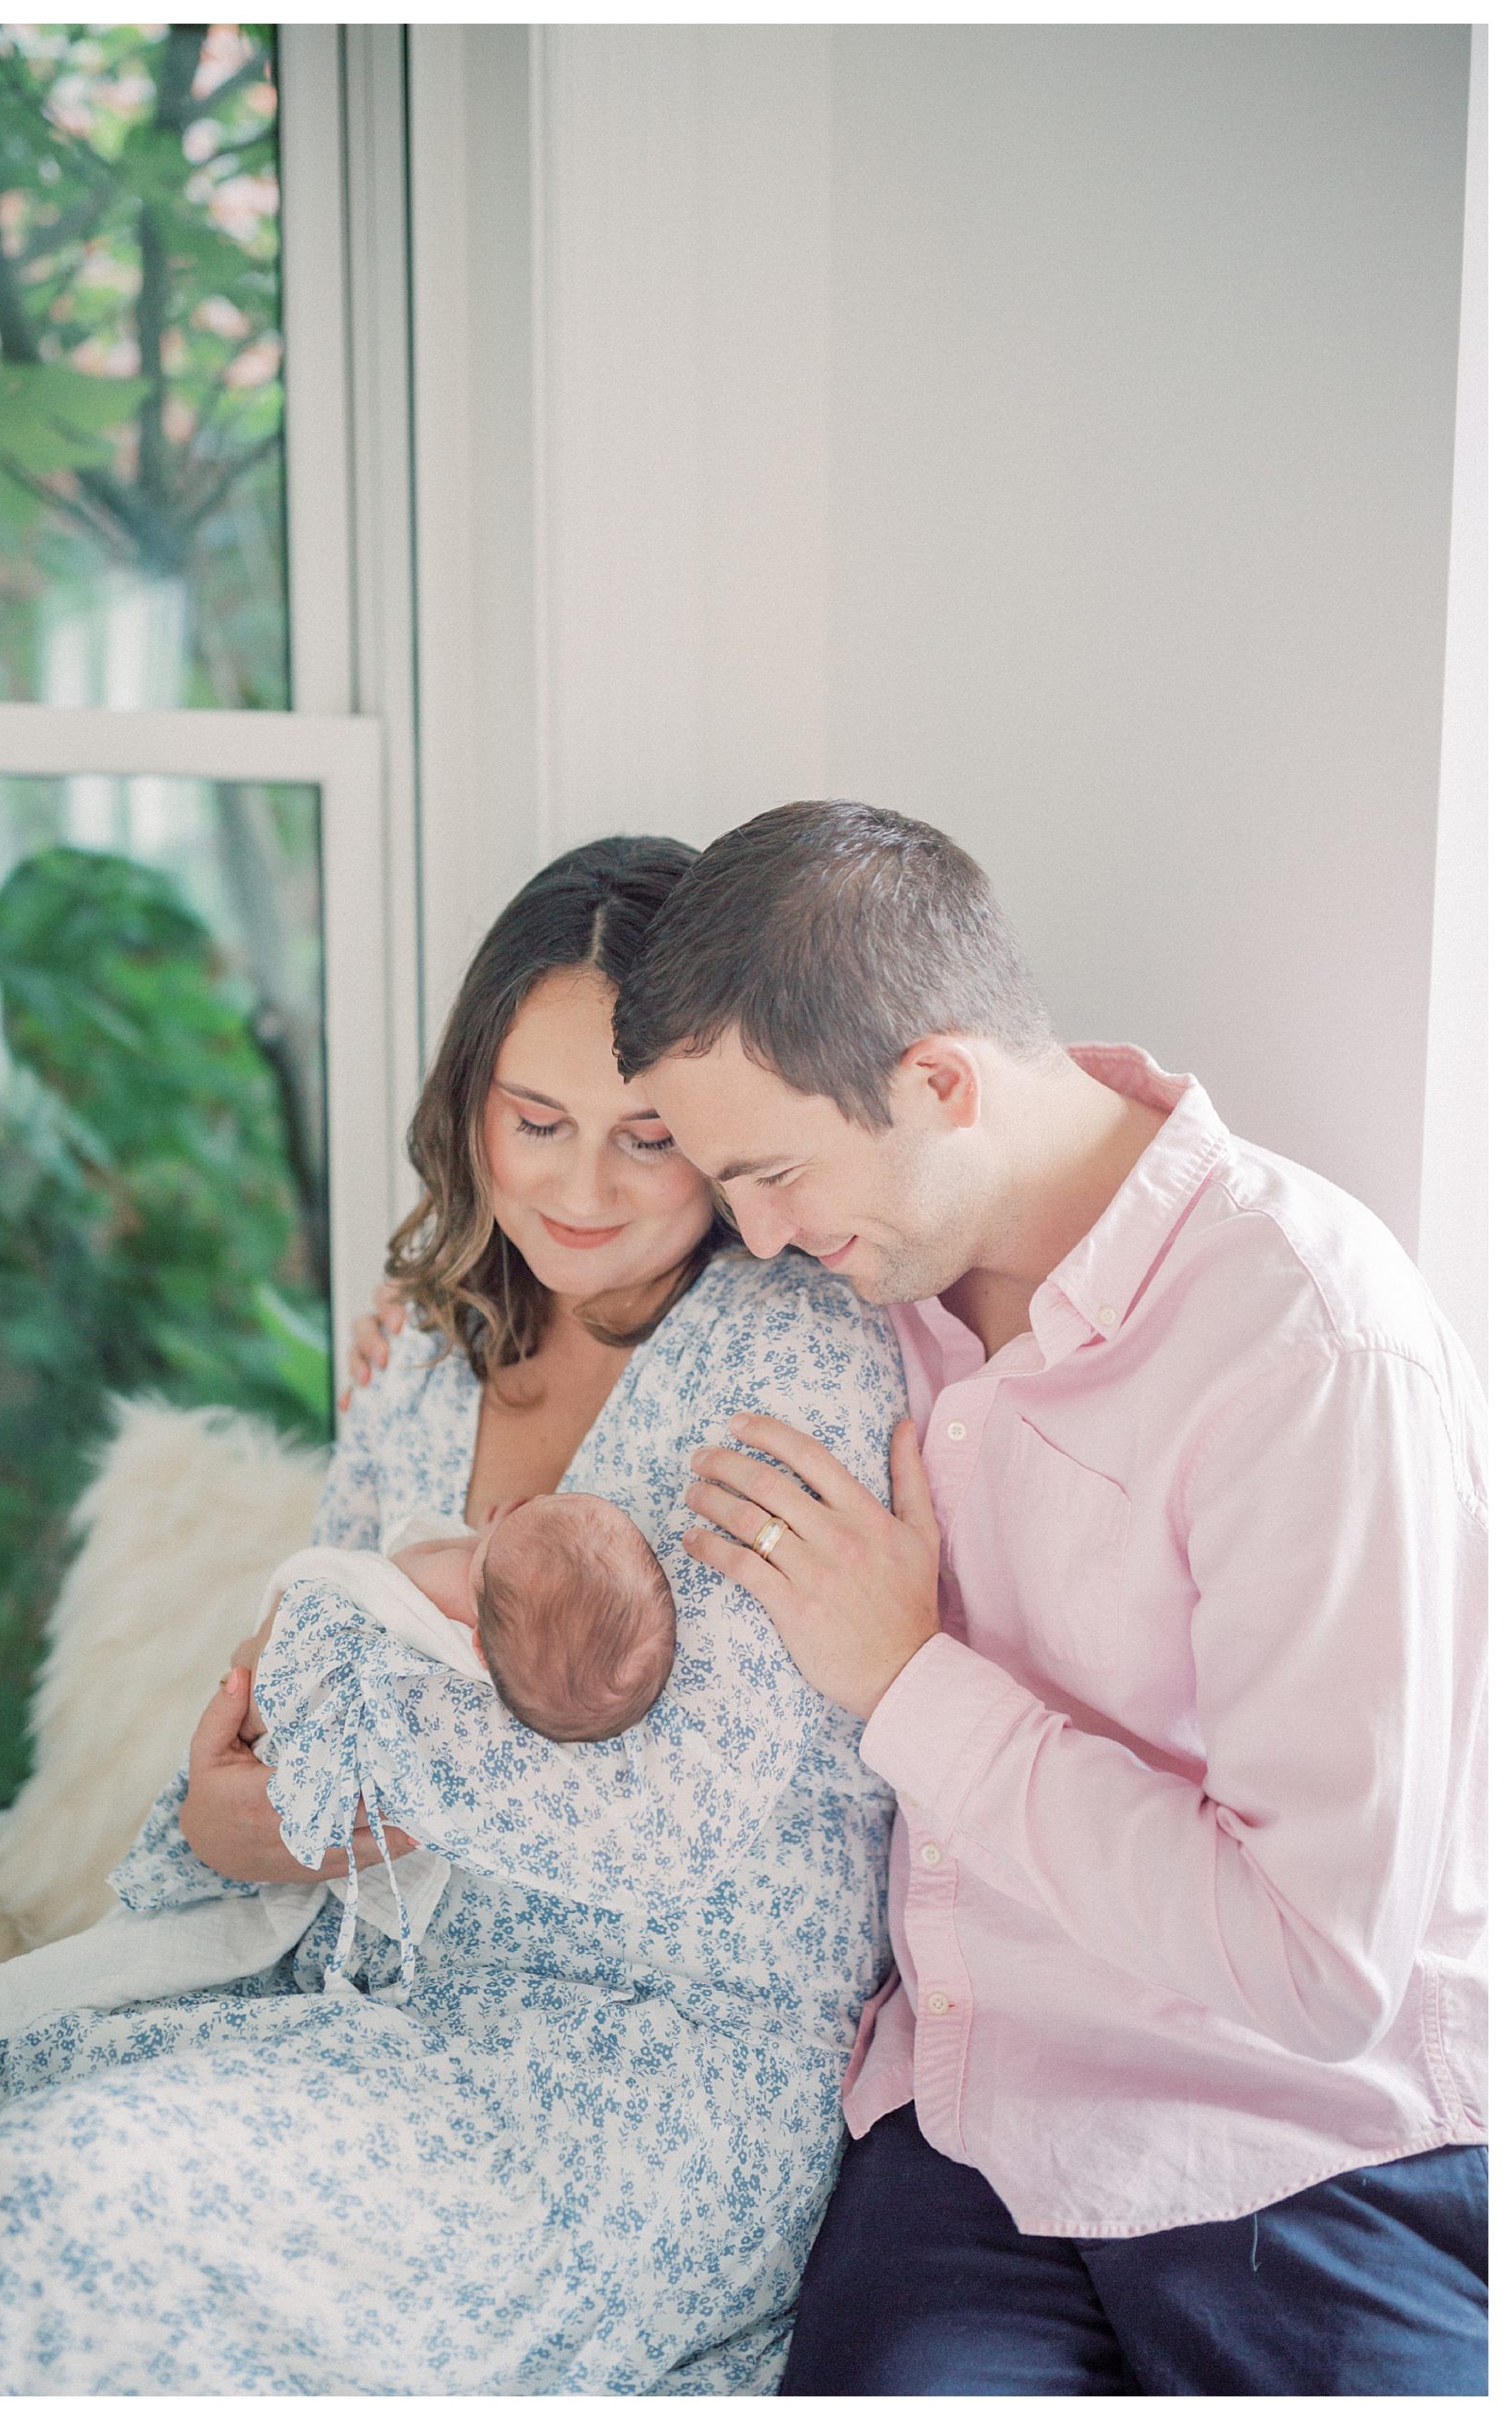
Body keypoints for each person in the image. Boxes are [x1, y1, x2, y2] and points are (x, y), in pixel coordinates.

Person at [0, 835, 909, 2396]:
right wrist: (235, 1815)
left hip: (630, 2093)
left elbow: (670, 1818)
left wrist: (338, 1785)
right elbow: (293, 1682)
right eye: (536, 1120)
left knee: (40, 2206)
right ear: (469, 1106)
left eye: (648, 1138)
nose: (580, 1190)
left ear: (721, 1134)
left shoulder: (789, 1354)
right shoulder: (435, 1349)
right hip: (367, 2001)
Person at [602, 798, 1487, 2397]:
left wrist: (907, 1683)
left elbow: (1318, 1970)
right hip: (967, 2116)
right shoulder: (861, 1286)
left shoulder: (1306, 1344)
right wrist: (439, 1298)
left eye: (775, 1173)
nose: (755, 1237)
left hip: (1290, 2143)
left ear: (941, 1081)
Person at [240, 1489, 679, 1749]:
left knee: (250, 1684)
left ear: (480, 1648)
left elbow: (396, 1564)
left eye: (478, 1559)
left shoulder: (448, 1586)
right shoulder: (527, 1661)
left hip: (292, 1678)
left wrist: (480, 1540)